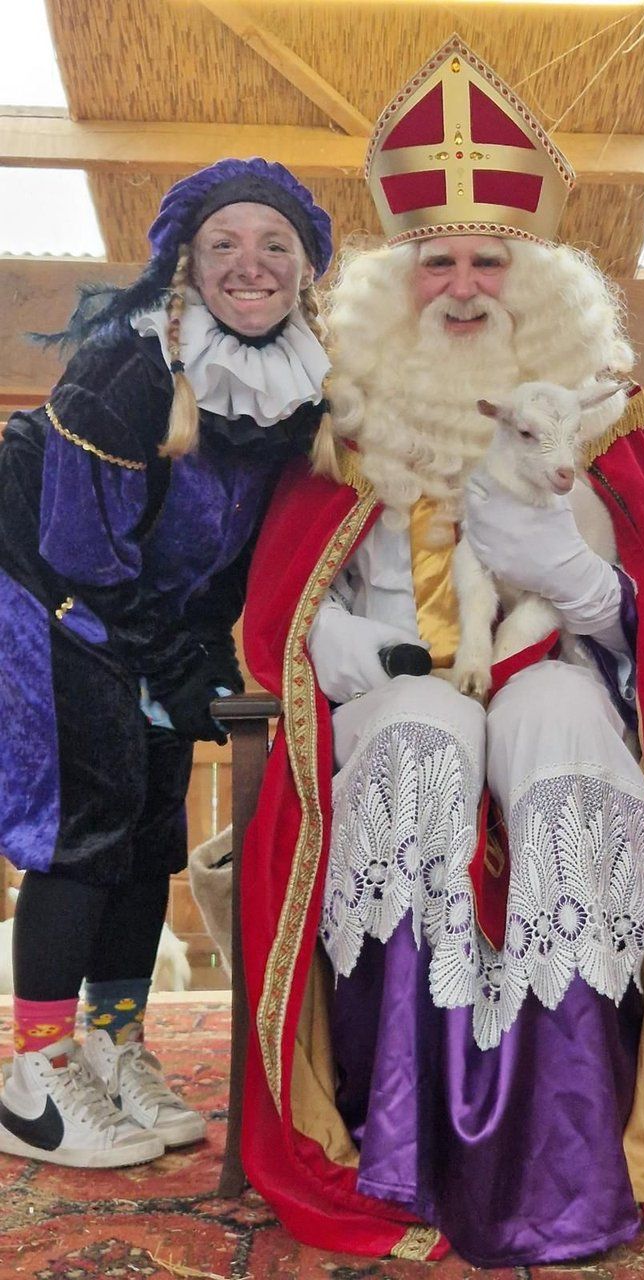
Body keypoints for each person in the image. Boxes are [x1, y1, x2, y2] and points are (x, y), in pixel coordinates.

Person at [240, 37, 644, 1265]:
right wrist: (359, 647)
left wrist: (574, 577)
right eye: (438, 260)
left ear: (537, 283)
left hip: (556, 668)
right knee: (425, 741)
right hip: (399, 686)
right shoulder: (341, 415)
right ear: (397, 279)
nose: (464, 286)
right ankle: (404, 1142)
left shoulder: (613, 417)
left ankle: (562, 1153)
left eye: (489, 260)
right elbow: (288, 604)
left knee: (562, 731)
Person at [0, 158, 332, 1169]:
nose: (250, 263)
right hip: (48, 592)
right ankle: (34, 1075)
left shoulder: (302, 380)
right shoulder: (129, 367)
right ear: (187, 263)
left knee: (151, 832)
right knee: (87, 821)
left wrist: (204, 648)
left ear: (305, 269)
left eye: (273, 245)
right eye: (223, 243)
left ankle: (114, 1042)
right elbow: (80, 549)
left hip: (142, 614)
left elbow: (236, 546)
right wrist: (170, 660)